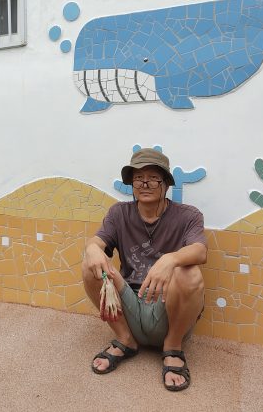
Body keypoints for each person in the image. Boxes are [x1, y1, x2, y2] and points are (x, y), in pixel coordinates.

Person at [82, 148, 207, 391]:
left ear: (166, 184)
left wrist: (170, 259)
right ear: (132, 184)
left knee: (189, 273)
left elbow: (200, 251)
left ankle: (173, 348)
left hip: (168, 312)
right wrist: (92, 248)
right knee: (90, 265)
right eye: (138, 178)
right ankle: (125, 339)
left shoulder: (188, 216)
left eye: (153, 178)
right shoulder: (119, 213)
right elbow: (97, 242)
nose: (145, 183)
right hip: (129, 307)